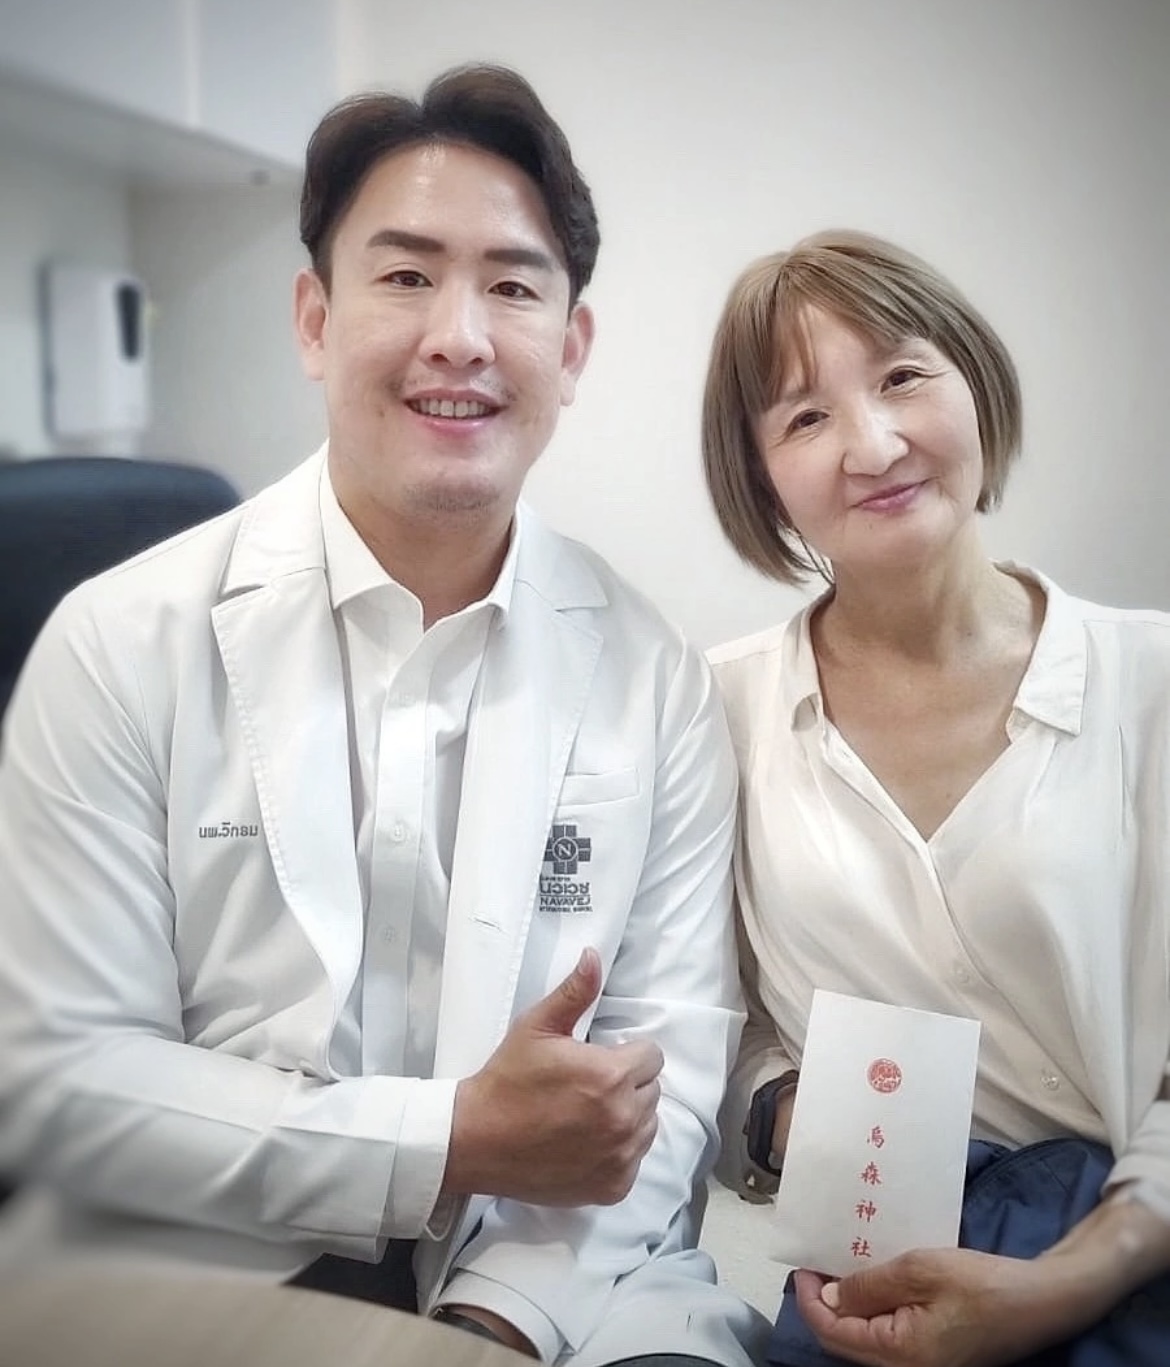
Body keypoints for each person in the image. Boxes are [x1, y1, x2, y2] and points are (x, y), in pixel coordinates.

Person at [0, 65, 768, 1367]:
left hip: (556, 1271)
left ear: (571, 349)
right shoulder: (120, 640)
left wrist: (490, 1320)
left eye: (512, 287)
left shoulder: (656, 678)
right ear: (314, 318)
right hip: (200, 1250)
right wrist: (445, 1140)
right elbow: (64, 1079)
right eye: (406, 275)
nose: (459, 336)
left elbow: (666, 1076)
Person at [700, 229, 1170, 1367]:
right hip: (878, 1277)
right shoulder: (716, 708)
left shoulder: (1151, 677)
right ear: (760, 475)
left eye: (904, 375)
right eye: (805, 417)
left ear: (977, 381)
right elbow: (711, 1021)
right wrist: (789, 1111)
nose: (873, 444)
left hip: (1138, 1252)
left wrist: (1070, 1278)